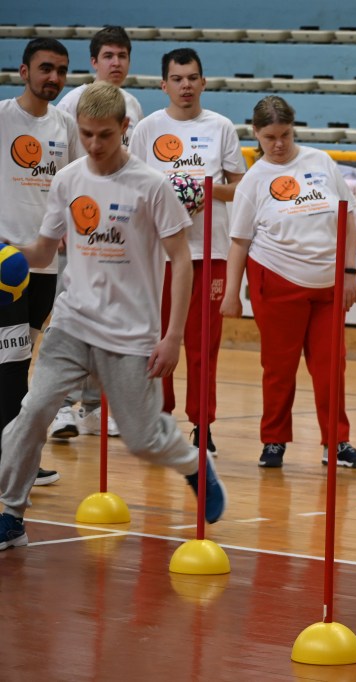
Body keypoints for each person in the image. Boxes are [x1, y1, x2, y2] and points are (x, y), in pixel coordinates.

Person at [0, 82, 226, 551]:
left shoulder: (152, 186)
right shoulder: (67, 179)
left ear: (124, 127)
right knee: (33, 412)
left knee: (143, 440)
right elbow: (44, 251)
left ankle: (193, 463)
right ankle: (11, 514)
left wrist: (173, 336)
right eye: (86, 134)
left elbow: (181, 260)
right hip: (71, 324)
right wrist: (9, 251)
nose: (94, 144)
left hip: (131, 334)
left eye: (104, 134)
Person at [221, 95, 356, 470]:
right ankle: (274, 440)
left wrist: (350, 273)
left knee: (332, 366)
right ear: (256, 134)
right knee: (279, 367)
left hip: (328, 285)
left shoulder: (320, 162)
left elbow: (349, 219)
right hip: (276, 280)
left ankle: (336, 442)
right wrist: (231, 293)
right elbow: (239, 242)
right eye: (269, 137)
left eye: (285, 135)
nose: (278, 144)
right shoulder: (254, 180)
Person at [129, 48, 246, 455]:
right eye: (177, 79)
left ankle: (203, 425)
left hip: (209, 252)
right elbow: (131, 185)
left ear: (203, 82)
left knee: (204, 345)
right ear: (164, 84)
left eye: (193, 78)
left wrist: (203, 192)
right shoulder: (147, 128)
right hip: (158, 255)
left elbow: (241, 187)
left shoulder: (221, 127)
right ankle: (159, 420)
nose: (185, 86)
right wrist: (166, 198)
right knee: (158, 339)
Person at [50, 25, 143, 440]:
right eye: (108, 55)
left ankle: (91, 406)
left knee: (107, 318)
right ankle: (61, 407)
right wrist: (64, 219)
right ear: (93, 62)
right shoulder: (73, 102)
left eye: (122, 55)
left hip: (116, 233)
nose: (116, 62)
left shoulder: (133, 105)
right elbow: (63, 164)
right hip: (80, 227)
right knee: (70, 317)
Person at [0, 38, 82, 487]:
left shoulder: (66, 125)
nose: (54, 77)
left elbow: (78, 184)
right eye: (46, 68)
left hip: (46, 267)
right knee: (11, 363)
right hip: (6, 266)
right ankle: (16, 461)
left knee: (20, 359)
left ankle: (16, 456)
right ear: (24, 71)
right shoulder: (2, 117)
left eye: (61, 70)